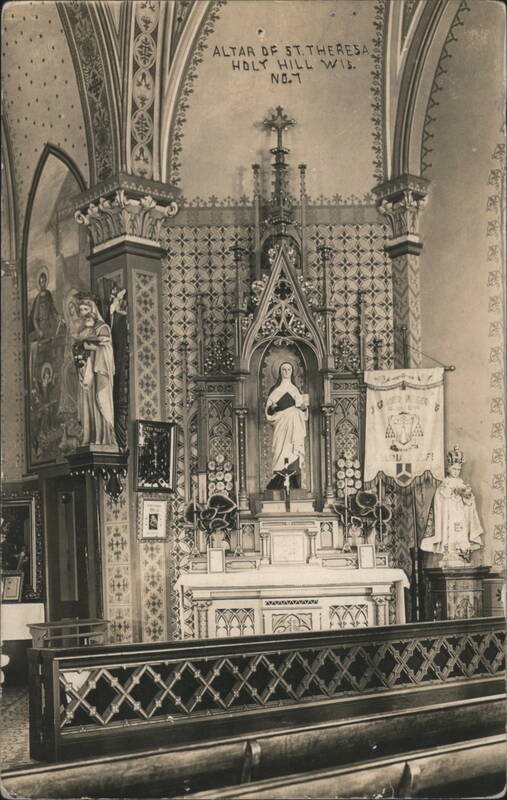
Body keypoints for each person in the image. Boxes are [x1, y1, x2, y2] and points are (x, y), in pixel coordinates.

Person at [421, 445, 483, 565]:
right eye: (454, 469)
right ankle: (449, 554)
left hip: (460, 514)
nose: (456, 472)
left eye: (458, 469)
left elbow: (468, 503)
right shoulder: (445, 484)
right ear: (449, 469)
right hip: (449, 515)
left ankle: (463, 554)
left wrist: (467, 496)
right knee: (450, 535)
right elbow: (439, 501)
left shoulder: (462, 483)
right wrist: (450, 493)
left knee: (461, 532)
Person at [73, 298, 117, 448]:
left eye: (85, 309)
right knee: (88, 405)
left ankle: (103, 437)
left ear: (93, 310)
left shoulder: (103, 327)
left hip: (99, 371)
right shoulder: (83, 330)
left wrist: (89, 346)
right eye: (80, 310)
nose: (82, 313)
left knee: (100, 401)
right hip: (88, 373)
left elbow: (106, 348)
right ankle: (90, 436)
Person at [265, 361, 308, 489]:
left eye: (289, 369)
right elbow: (268, 412)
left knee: (293, 450)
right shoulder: (274, 390)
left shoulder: (295, 389)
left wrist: (304, 408)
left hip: (294, 425)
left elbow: (302, 410)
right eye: (283, 369)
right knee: (279, 449)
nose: (286, 372)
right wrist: (272, 408)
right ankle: (277, 481)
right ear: (280, 372)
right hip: (281, 425)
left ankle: (293, 482)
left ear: (292, 372)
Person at [28, 269, 60, 383]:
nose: (43, 284)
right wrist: (39, 330)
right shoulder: (38, 299)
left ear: (46, 282)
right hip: (41, 328)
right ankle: (40, 378)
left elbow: (53, 308)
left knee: (52, 350)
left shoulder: (49, 295)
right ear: (39, 283)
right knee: (41, 351)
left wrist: (57, 315)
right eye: (41, 282)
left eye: (44, 281)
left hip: (49, 327)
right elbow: (34, 318)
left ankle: (52, 375)